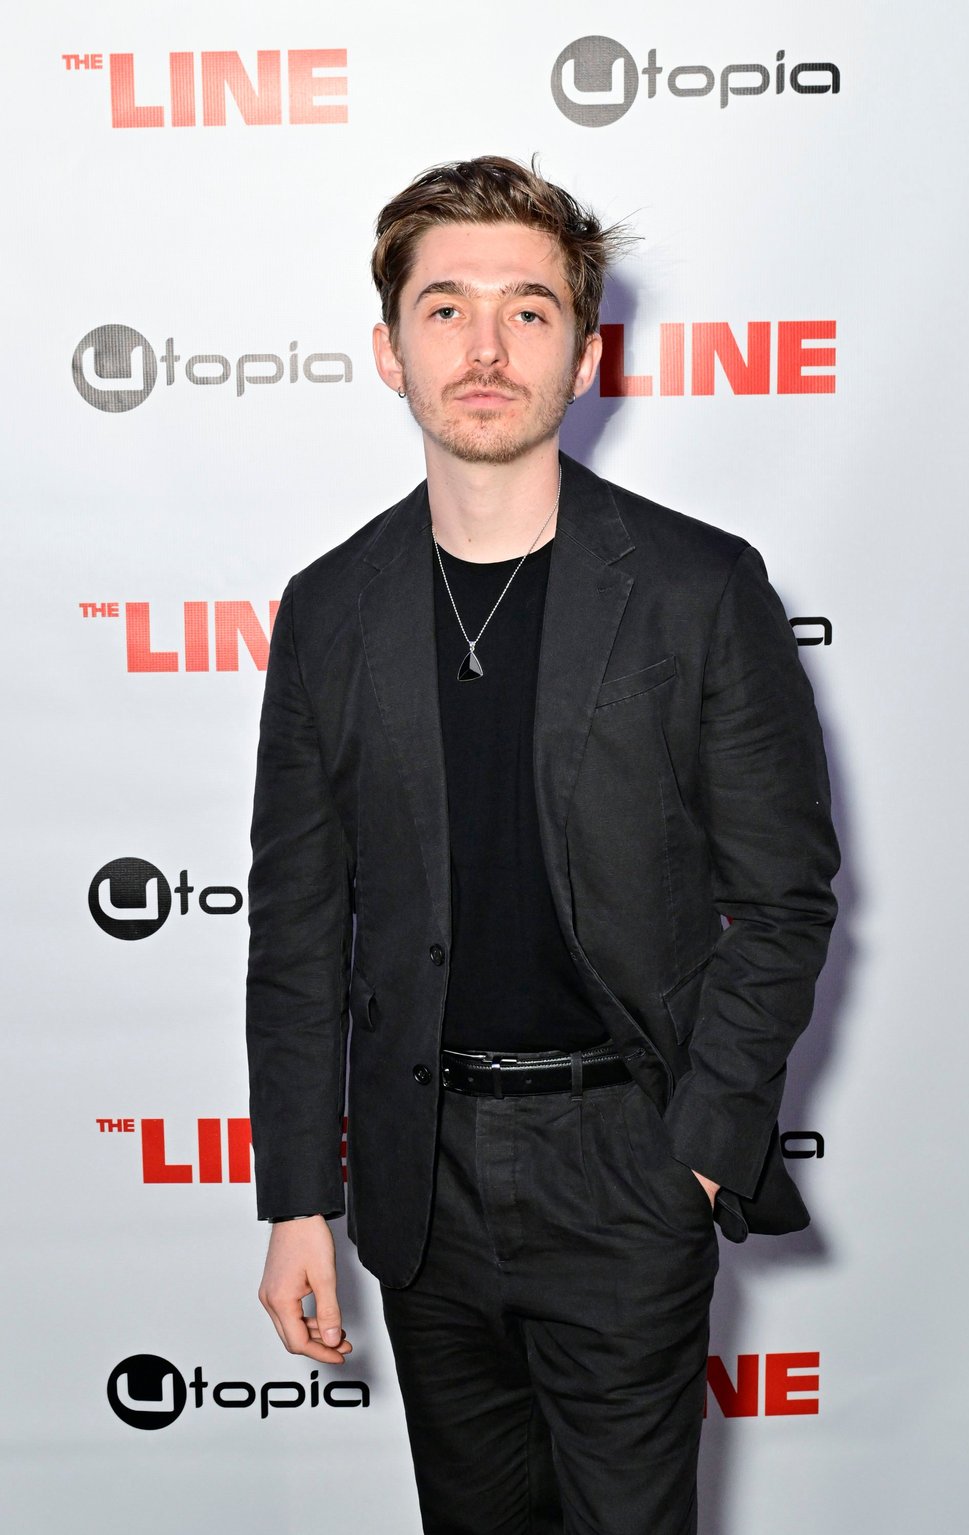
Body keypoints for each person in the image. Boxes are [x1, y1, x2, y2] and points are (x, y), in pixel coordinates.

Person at [247, 155, 839, 1534]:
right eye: (445, 307)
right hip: (420, 1174)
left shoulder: (700, 588)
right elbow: (295, 928)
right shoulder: (330, 609)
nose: (487, 346)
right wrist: (296, 1204)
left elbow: (788, 898)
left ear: (582, 354)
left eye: (528, 309)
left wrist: (694, 1147)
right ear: (390, 351)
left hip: (624, 1161)